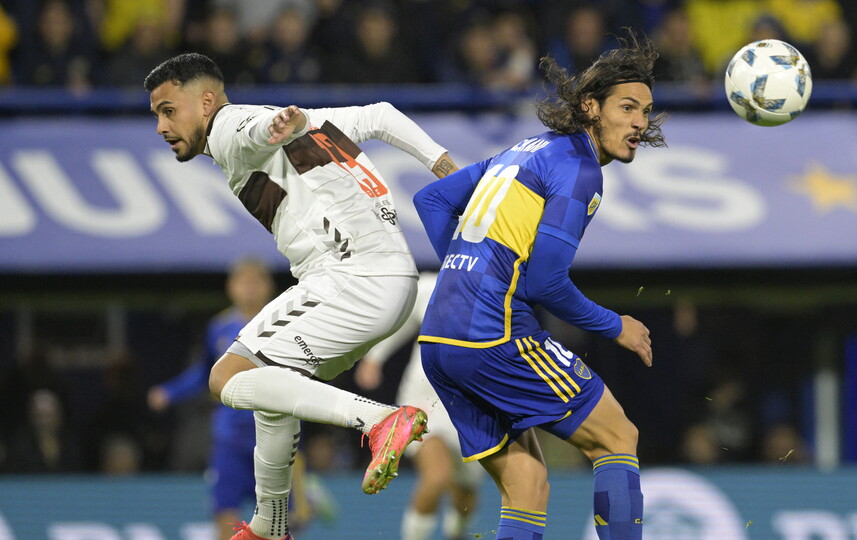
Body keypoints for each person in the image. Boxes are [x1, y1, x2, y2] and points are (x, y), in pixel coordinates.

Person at [143, 52, 459, 540]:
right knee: (272, 385)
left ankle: (378, 420)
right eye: (156, 115)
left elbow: (246, 132)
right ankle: (270, 525)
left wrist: (270, 126)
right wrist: (443, 164)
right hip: (391, 278)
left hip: (352, 277)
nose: (161, 126)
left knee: (227, 377)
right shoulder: (309, 122)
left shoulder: (228, 127)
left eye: (168, 110)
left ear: (205, 101)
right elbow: (382, 115)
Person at [412, 29, 664, 540]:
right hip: (492, 336)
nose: (640, 122)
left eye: (646, 111)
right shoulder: (579, 169)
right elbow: (547, 282)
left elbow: (431, 201)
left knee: (526, 486)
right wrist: (616, 325)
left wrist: (468, 273)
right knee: (617, 436)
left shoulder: (525, 150)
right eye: (628, 108)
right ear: (591, 107)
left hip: (440, 341)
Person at [148, 258, 331, 540]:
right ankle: (308, 497)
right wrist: (170, 392)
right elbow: (205, 374)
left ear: (268, 286)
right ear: (230, 287)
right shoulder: (218, 328)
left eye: (255, 281)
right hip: (230, 439)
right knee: (224, 517)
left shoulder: (289, 323)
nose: (248, 288)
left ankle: (306, 499)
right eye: (242, 282)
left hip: (277, 434)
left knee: (285, 525)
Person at [354, 272, 484, 540]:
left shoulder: (498, 291)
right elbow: (402, 321)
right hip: (424, 403)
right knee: (436, 476)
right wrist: (375, 357)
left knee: (466, 494)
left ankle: (456, 535)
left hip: (472, 408)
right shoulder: (430, 286)